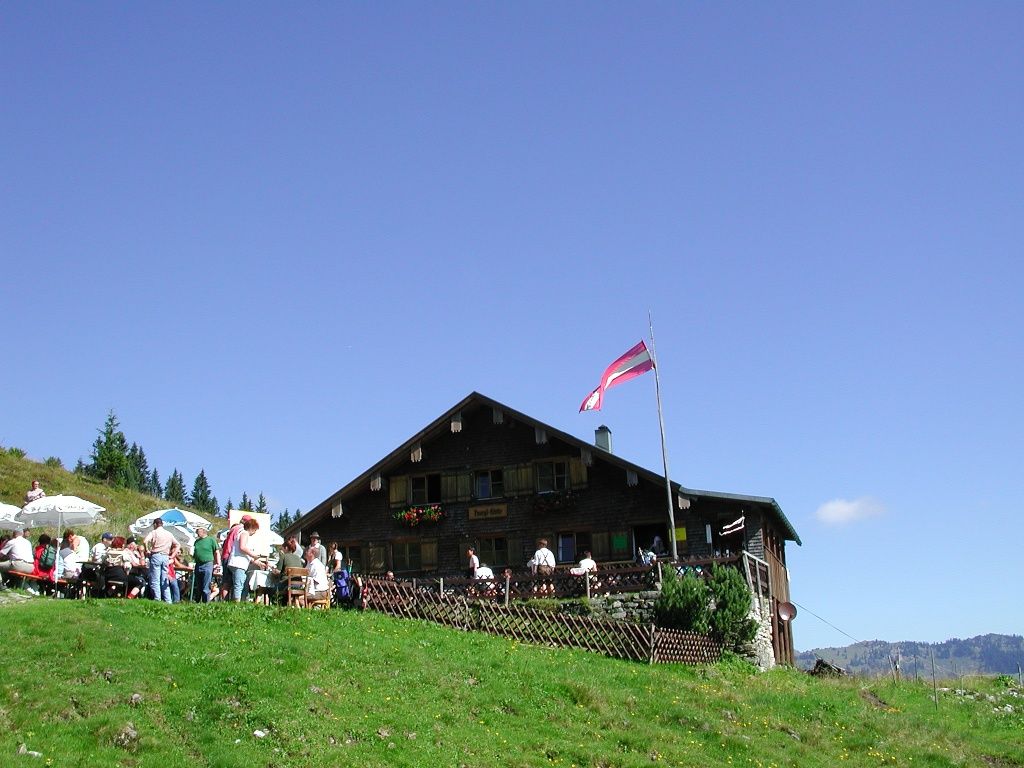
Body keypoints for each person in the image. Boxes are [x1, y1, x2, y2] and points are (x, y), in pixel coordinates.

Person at [225, 516, 266, 602]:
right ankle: (237, 603)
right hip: (238, 563)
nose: (254, 532)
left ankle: (239, 601)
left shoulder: (242, 533)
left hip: (238, 563)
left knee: (241, 583)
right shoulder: (244, 533)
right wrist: (254, 555)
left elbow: (244, 553)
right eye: (255, 530)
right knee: (239, 584)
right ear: (251, 528)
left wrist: (257, 562)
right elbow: (242, 547)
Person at [143, 517, 176, 603]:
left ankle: (157, 599)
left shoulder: (154, 532)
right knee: (164, 579)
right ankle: (168, 600)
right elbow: (178, 544)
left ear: (155, 524)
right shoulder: (169, 534)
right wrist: (172, 555)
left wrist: (147, 550)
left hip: (156, 555)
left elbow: (145, 541)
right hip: (165, 556)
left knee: (155, 579)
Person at [191, 527, 219, 603]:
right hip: (198, 564)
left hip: (207, 564)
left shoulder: (211, 540)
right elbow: (195, 553)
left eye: (198, 532)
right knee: (198, 585)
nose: (197, 533)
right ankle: (197, 601)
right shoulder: (196, 542)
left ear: (203, 531)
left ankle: (205, 603)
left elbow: (216, 552)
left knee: (206, 585)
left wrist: (218, 564)